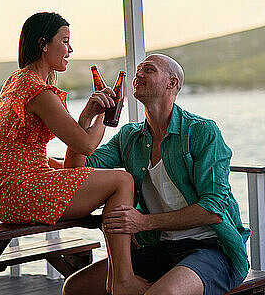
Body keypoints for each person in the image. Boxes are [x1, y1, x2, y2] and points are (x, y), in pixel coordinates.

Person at [0, 12, 150, 295]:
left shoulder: (17, 81)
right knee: (122, 181)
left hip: (8, 191)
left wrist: (87, 114)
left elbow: (73, 164)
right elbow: (85, 146)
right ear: (44, 44)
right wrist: (106, 117)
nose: (71, 50)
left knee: (73, 170)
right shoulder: (38, 91)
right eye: (65, 41)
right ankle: (123, 279)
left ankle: (119, 270)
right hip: (19, 192)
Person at [62, 54, 250, 295]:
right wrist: (89, 117)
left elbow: (213, 209)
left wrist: (144, 223)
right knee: (76, 288)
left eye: (148, 70)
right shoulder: (129, 137)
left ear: (171, 83)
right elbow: (76, 171)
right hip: (162, 248)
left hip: (212, 249)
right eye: (138, 70)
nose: (138, 74)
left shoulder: (202, 132)